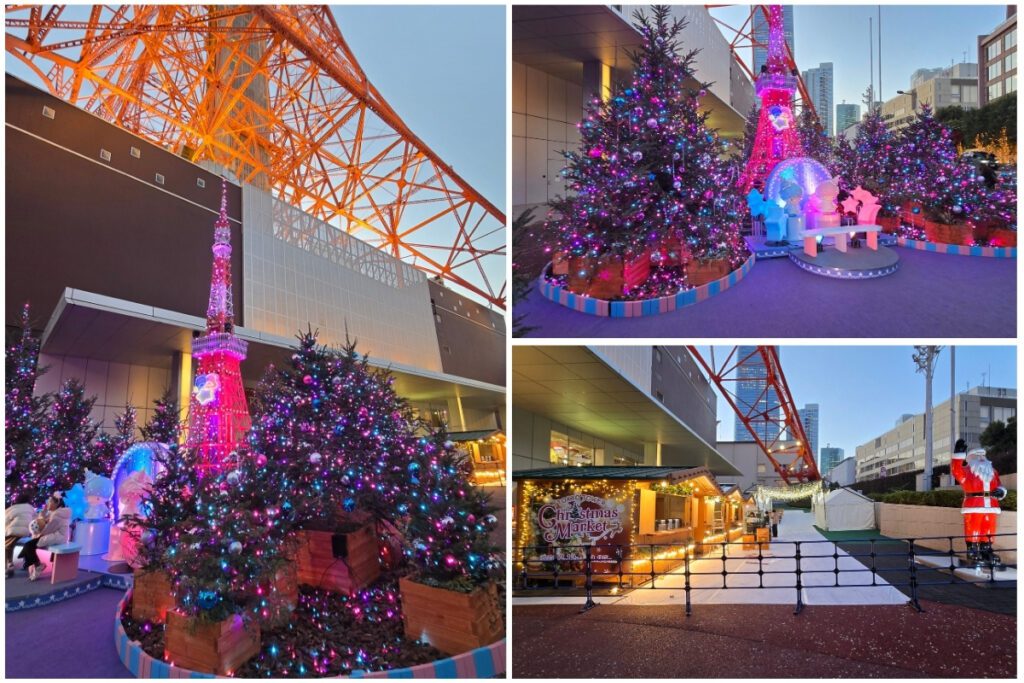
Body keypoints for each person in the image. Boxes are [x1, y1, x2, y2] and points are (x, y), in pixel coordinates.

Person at [20, 493, 71, 581]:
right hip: (53, 534)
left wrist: (36, 534)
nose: (47, 503)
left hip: (58, 537)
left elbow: (46, 530)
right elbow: (42, 523)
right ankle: (30, 563)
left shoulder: (57, 515)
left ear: (57, 503)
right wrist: (43, 513)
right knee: (28, 545)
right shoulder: (54, 512)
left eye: (50, 501)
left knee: (28, 545)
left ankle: (37, 565)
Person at [5, 495, 36, 577]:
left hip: (14, 531)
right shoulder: (30, 508)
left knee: (6, 546)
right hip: (27, 531)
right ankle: (9, 565)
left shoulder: (13, 508)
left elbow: (5, 520)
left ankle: (7, 568)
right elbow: (35, 519)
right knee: (8, 545)